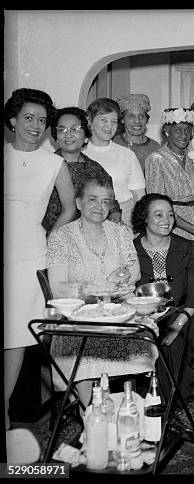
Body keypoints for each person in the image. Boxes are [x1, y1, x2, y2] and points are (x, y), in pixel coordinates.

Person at [4, 88, 77, 429]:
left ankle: (4, 412)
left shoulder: (54, 163)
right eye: (28, 118)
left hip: (28, 255)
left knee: (17, 336)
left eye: (42, 120)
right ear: (13, 120)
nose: (35, 125)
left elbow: (70, 209)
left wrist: (47, 237)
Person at [47, 175, 151, 409]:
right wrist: (104, 285)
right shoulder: (61, 238)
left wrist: (115, 282)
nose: (99, 207)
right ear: (78, 203)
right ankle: (93, 413)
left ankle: (126, 407)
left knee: (144, 332)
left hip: (119, 312)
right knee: (85, 347)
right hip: (79, 316)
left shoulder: (120, 232)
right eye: (92, 199)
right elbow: (59, 288)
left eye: (106, 202)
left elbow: (133, 272)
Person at [133, 193, 194, 402]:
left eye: (170, 215)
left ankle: (166, 404)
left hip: (181, 315)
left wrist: (178, 323)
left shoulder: (187, 248)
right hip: (142, 317)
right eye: (158, 215)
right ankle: (150, 402)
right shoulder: (131, 249)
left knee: (172, 337)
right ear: (144, 218)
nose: (166, 220)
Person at [43, 106, 121, 233]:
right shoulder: (45, 166)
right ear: (56, 137)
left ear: (85, 137)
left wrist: (115, 217)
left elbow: (111, 203)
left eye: (74, 129)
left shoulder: (95, 169)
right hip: (49, 233)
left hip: (89, 235)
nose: (68, 134)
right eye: (62, 130)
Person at [145, 107, 194, 240]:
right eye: (178, 130)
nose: (184, 135)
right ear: (167, 132)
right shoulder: (156, 159)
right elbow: (157, 205)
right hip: (170, 224)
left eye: (187, 130)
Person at [83, 97, 145, 229]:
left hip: (123, 218)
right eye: (103, 120)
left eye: (114, 121)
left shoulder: (126, 154)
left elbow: (139, 197)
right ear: (90, 121)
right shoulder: (80, 152)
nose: (109, 126)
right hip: (87, 217)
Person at [113, 93, 161, 173]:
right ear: (122, 120)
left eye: (141, 116)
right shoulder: (114, 143)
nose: (137, 121)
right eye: (131, 116)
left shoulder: (155, 148)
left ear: (146, 119)